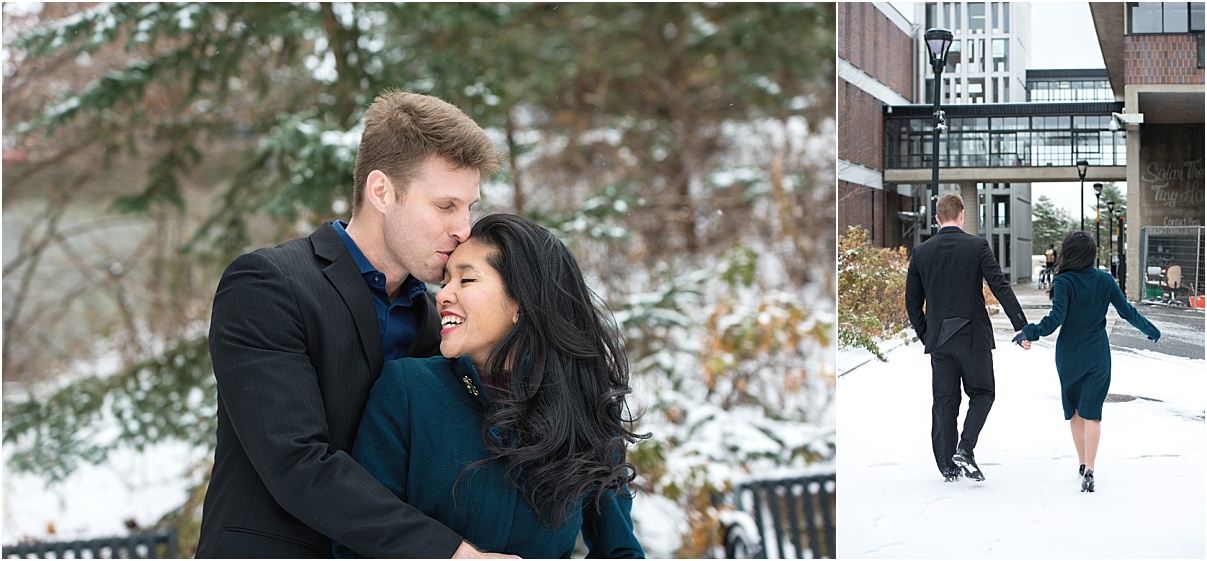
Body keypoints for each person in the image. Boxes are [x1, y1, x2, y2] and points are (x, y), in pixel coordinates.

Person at [197, 89, 515, 558]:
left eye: (469, 207)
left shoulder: (434, 319)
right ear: (382, 191)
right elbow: (296, 462)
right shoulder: (269, 284)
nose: (463, 229)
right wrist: (449, 553)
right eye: (445, 206)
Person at [333, 213, 648, 558]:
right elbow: (357, 542)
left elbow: (621, 551)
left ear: (522, 303)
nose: (442, 296)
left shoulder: (586, 407)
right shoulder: (407, 390)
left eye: (466, 280)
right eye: (446, 281)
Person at [1013, 231, 1160, 493]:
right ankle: (1090, 468)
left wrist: (1030, 332)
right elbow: (1127, 311)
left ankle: (1081, 463)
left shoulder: (1064, 281)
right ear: (1091, 255)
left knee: (1075, 411)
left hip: (1069, 355)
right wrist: (1150, 329)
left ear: (1068, 253)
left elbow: (1054, 320)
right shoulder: (1105, 280)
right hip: (1097, 355)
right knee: (1092, 411)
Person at [905, 193, 1030, 483]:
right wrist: (1020, 326)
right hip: (973, 337)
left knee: (945, 402)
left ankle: (948, 467)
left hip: (940, 341)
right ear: (962, 215)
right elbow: (999, 285)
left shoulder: (921, 252)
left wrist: (928, 335)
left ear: (937, 218)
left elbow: (912, 303)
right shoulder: (977, 246)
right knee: (983, 393)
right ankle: (965, 448)